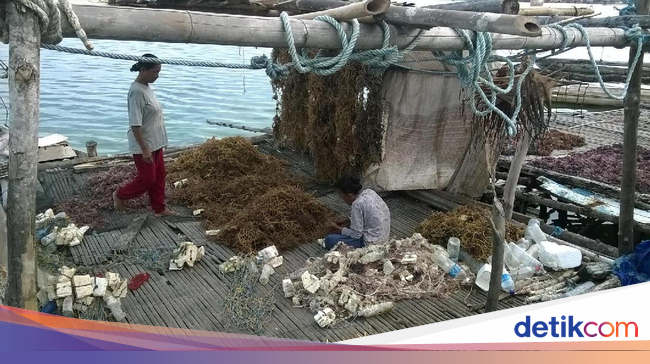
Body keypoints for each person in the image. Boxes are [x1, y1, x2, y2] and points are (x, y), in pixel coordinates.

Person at [113, 54, 175, 217]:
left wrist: (160, 141)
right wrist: (144, 149)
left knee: (160, 176)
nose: (157, 76)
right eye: (155, 72)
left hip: (156, 141)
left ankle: (159, 208)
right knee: (148, 178)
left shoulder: (146, 87)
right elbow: (135, 123)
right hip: (144, 143)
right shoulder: (136, 92)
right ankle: (120, 194)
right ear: (143, 70)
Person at [323, 175, 391, 249]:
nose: (342, 199)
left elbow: (356, 235)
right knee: (347, 225)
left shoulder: (357, 204)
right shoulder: (370, 192)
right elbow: (367, 217)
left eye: (341, 195)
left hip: (371, 244)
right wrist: (348, 219)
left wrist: (337, 228)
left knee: (329, 240)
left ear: (349, 195)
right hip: (383, 236)